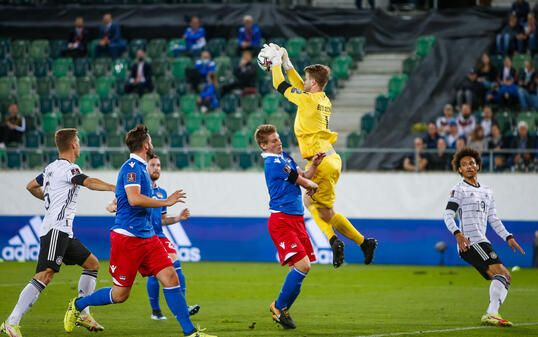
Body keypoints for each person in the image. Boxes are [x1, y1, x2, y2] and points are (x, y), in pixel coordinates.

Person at [63, 125, 215, 337]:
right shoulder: (132, 167)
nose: (152, 144)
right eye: (150, 141)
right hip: (128, 238)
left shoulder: (142, 168)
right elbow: (134, 199)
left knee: (171, 277)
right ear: (145, 145)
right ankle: (78, 305)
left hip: (148, 237)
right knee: (120, 295)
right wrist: (166, 201)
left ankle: (191, 333)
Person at [261, 43, 377, 268]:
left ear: (313, 82)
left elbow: (279, 83)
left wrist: (275, 63)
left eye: (306, 80)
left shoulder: (307, 100)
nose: (303, 83)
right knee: (327, 211)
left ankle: (334, 241)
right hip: (332, 158)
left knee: (311, 204)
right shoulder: (323, 99)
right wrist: (288, 64)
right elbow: (299, 86)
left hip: (321, 161)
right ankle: (364, 243)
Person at [1, 128, 115, 337]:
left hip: (63, 232)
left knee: (92, 264)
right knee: (45, 275)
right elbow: (88, 182)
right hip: (56, 230)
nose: (79, 145)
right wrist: (113, 187)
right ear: (72, 145)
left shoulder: (49, 169)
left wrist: (50, 198)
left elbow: (30, 186)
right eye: (78, 141)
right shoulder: (69, 169)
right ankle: (11, 321)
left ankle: (82, 312)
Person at [105, 154, 200, 321]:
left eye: (158, 165)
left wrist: (177, 218)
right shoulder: (135, 188)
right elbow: (111, 205)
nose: (156, 168)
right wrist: (113, 206)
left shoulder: (162, 192)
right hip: (140, 237)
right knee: (153, 276)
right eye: (153, 165)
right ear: (145, 168)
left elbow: (162, 220)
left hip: (158, 236)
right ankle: (156, 311)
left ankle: (183, 307)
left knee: (175, 265)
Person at [443, 147, 525, 327]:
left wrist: (508, 237)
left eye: (472, 163)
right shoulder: (459, 189)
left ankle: (491, 314)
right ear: (459, 170)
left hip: (481, 241)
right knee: (502, 273)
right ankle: (491, 314)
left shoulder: (487, 191)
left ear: (478, 166)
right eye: (464, 164)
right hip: (471, 242)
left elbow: (493, 218)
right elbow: (448, 215)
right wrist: (458, 234)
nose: (469, 166)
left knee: (504, 277)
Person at [255, 124, 323, 330]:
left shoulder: (284, 157)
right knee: (303, 266)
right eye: (273, 140)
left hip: (296, 220)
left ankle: (282, 309)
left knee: (302, 268)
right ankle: (279, 306)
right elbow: (298, 179)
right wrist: (310, 185)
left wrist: (315, 166)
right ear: (263, 145)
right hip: (281, 221)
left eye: (278, 138)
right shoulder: (273, 161)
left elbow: (304, 175)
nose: (279, 142)